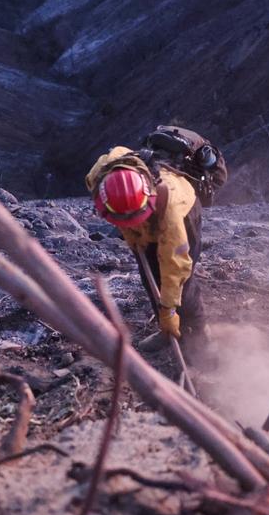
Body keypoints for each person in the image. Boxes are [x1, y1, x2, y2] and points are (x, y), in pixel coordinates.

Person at [85, 145, 210, 359]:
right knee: (149, 276)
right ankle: (167, 332)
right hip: (139, 210)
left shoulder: (170, 208)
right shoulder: (100, 178)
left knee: (183, 285)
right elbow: (124, 205)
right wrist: (133, 235)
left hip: (183, 214)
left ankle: (199, 336)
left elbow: (176, 268)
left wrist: (169, 310)